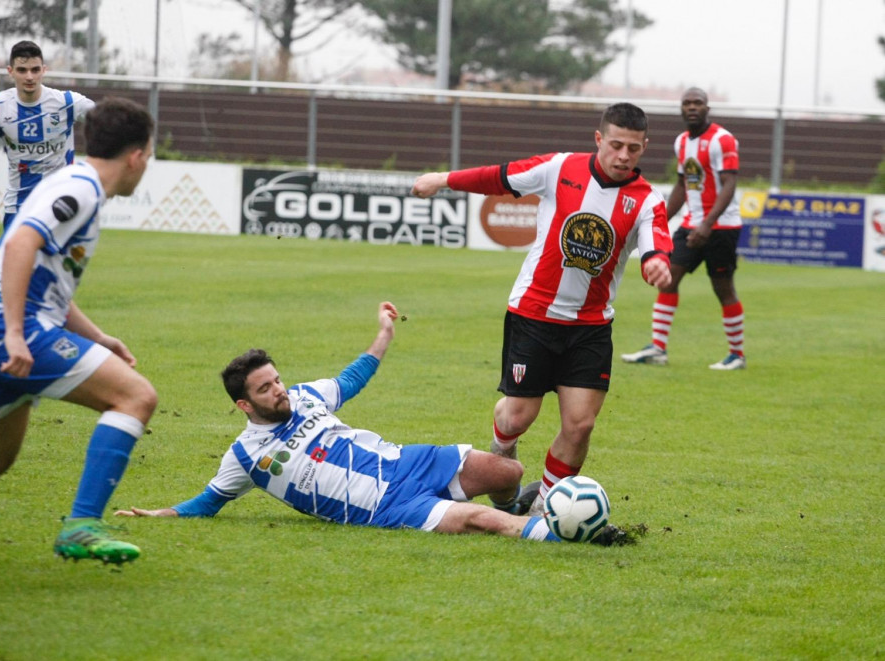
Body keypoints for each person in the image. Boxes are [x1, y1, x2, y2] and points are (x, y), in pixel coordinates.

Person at [116, 302, 626, 546]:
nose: (279, 390)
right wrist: (158, 516)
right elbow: (206, 505)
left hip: (405, 459)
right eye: (266, 389)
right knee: (479, 522)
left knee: (507, 473)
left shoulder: (306, 396)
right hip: (385, 504)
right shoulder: (247, 458)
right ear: (245, 406)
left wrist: (382, 332)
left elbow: (353, 377)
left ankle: (520, 501)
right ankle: (568, 535)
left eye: (276, 380)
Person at [410, 102, 673, 517]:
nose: (624, 156)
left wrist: (656, 259)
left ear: (645, 147)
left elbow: (656, 237)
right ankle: (503, 456)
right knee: (517, 417)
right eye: (617, 145)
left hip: (590, 327)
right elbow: (499, 177)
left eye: (634, 149)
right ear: (599, 139)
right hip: (533, 315)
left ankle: (543, 510)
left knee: (580, 424)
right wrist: (443, 179)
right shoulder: (559, 168)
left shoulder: (647, 200)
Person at [0, 97, 157, 565]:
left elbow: (48, 283)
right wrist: (16, 334)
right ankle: (82, 525)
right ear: (137, 156)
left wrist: (97, 336)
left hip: (2, 323)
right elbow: (21, 244)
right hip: (5, 327)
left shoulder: (76, 183)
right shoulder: (81, 188)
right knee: (135, 397)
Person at [621, 87, 746, 370]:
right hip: (692, 223)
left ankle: (737, 355)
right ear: (681, 108)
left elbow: (730, 184)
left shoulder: (722, 140)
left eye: (697, 103)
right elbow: (682, 186)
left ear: (707, 108)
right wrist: (659, 219)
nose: (692, 107)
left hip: (721, 226)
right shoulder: (681, 142)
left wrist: (708, 224)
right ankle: (657, 348)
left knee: (723, 287)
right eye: (687, 103)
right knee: (668, 277)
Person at [0, 40, 95, 230]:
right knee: (16, 259)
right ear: (10, 71)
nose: (29, 76)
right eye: (22, 70)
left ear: (44, 70)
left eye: (35, 70)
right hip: (19, 202)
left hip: (61, 200)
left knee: (58, 260)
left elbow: (108, 119)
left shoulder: (66, 102)